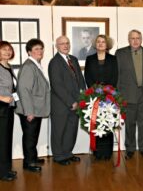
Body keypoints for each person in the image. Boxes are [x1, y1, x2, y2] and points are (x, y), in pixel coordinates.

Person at [115, 29, 143, 159]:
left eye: (138, 38)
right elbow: (118, 76)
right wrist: (118, 97)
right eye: (133, 38)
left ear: (141, 39)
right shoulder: (120, 54)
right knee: (130, 125)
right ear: (128, 40)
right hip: (128, 95)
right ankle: (130, 149)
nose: (135, 40)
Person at [48, 36, 86, 165]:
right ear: (57, 46)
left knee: (71, 130)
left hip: (76, 103)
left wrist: (82, 98)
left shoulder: (73, 59)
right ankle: (59, 156)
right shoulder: (54, 62)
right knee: (59, 131)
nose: (65, 45)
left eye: (67, 43)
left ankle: (68, 153)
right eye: (62, 44)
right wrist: (71, 102)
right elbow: (57, 85)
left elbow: (80, 79)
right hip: (61, 105)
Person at [16, 38, 50, 173]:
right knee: (30, 136)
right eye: (36, 49)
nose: (39, 51)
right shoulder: (29, 66)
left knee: (33, 135)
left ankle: (32, 158)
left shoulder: (35, 65)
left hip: (36, 109)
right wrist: (29, 111)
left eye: (41, 48)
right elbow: (24, 90)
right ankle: (29, 163)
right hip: (30, 109)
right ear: (29, 52)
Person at [84, 34, 118, 160]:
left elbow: (115, 76)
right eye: (98, 42)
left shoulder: (113, 59)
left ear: (107, 44)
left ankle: (107, 152)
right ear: (95, 44)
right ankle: (97, 152)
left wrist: (107, 91)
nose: (100, 44)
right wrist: (96, 90)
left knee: (108, 123)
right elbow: (87, 77)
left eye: (103, 42)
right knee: (96, 123)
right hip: (94, 96)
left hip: (109, 96)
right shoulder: (90, 59)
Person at [0, 41, 17, 181]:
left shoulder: (8, 66)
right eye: (4, 49)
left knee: (6, 140)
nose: (7, 52)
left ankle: (6, 169)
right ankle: (2, 172)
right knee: (2, 141)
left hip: (8, 109)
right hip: (1, 108)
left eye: (9, 49)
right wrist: (2, 97)